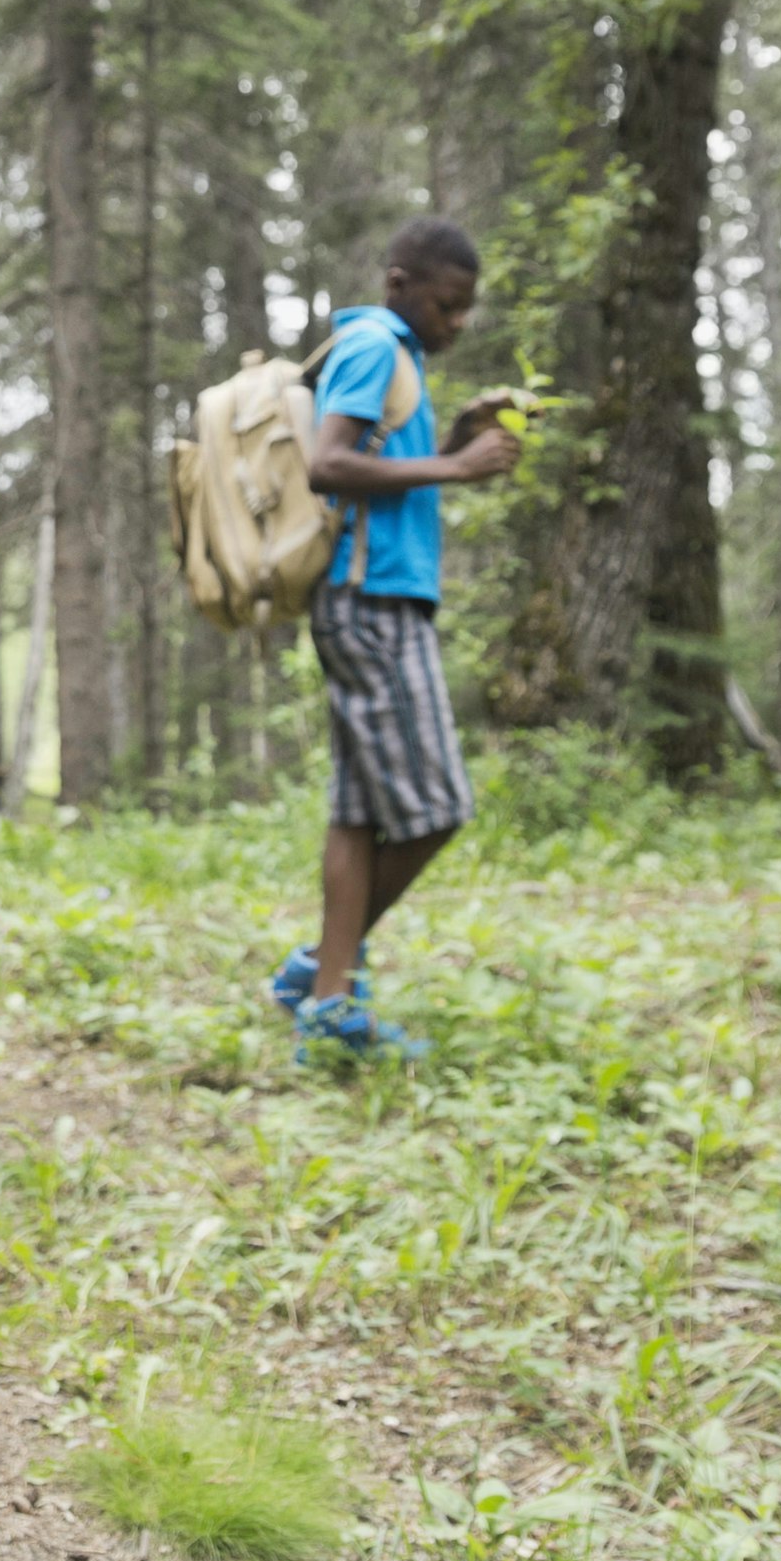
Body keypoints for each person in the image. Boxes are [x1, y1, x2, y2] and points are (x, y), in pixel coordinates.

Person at [268, 217, 519, 1063]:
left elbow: (382, 483)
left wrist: (452, 443)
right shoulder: (375, 344)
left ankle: (330, 996)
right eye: (448, 305)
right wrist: (459, 468)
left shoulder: (397, 357)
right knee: (436, 808)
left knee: (362, 813)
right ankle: (322, 974)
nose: (456, 323)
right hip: (370, 602)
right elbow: (327, 465)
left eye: (466, 311)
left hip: (376, 599)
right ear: (400, 280)